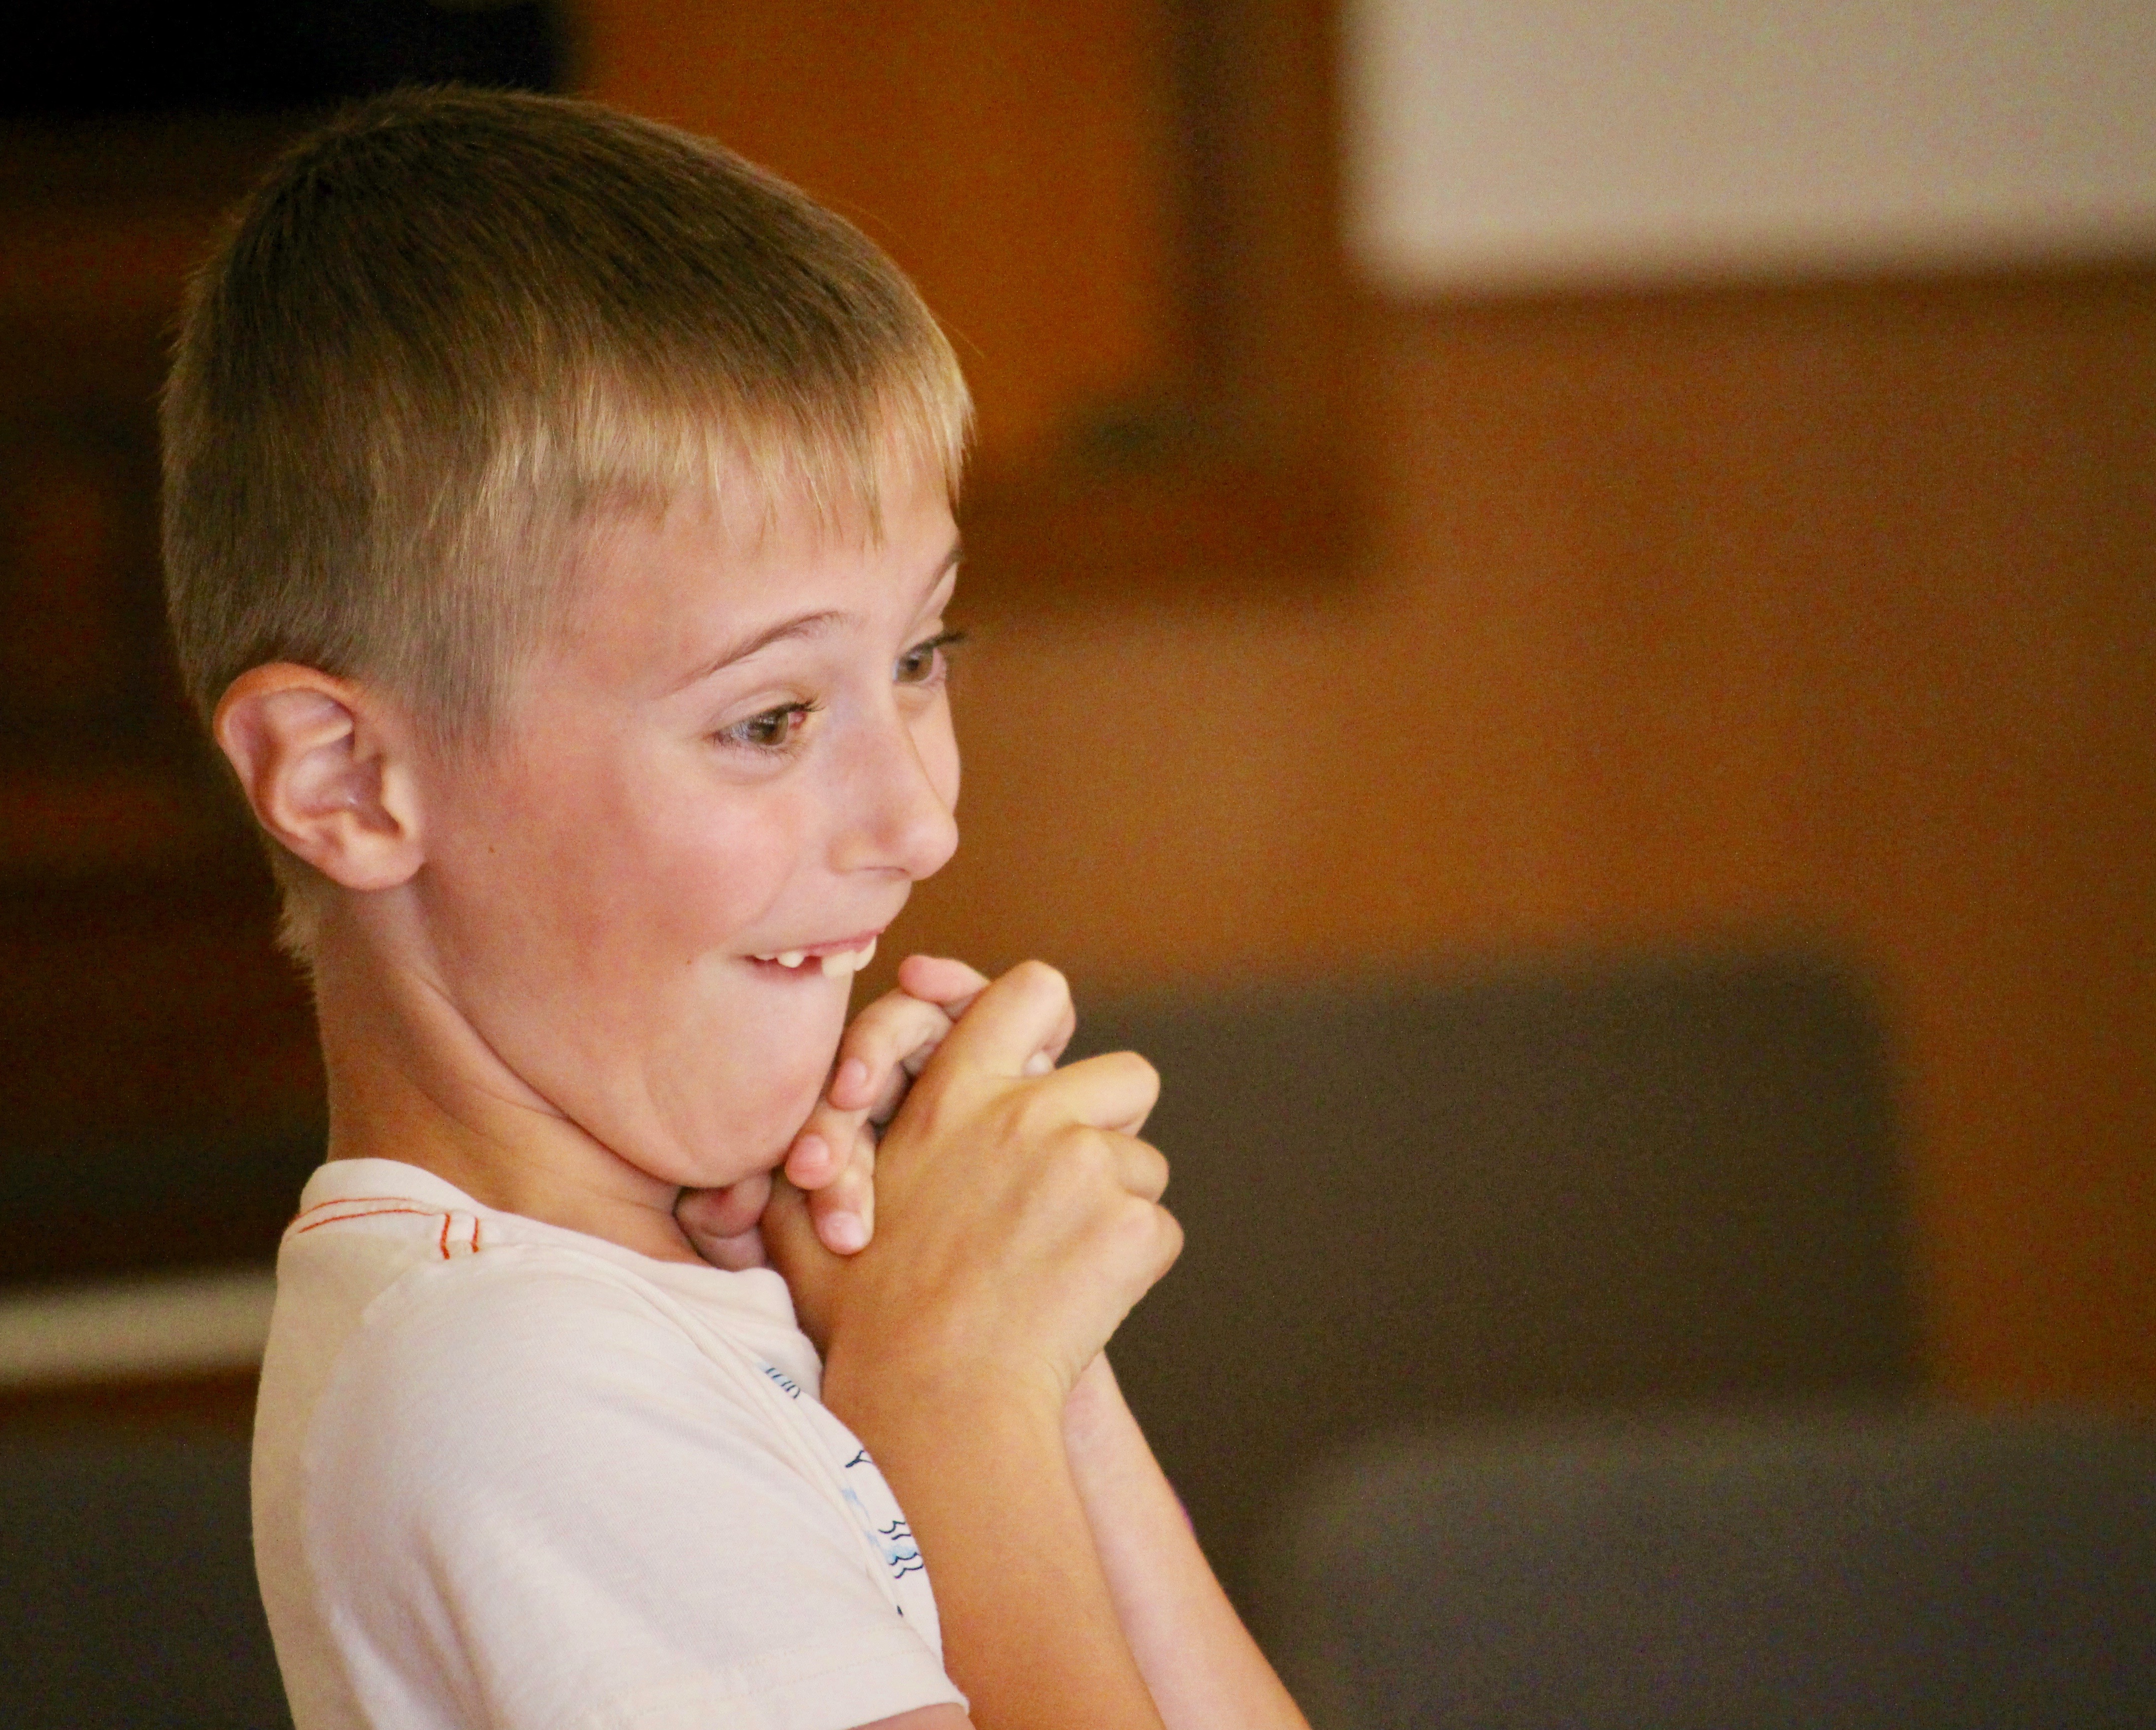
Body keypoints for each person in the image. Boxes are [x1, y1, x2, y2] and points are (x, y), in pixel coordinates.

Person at [163, 87, 1309, 1730]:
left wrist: (1034, 1368)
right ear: (346, 782)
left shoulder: (692, 1306)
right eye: (770, 720)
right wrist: (954, 1394)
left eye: (920, 658)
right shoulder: (509, 1383)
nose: (921, 822)